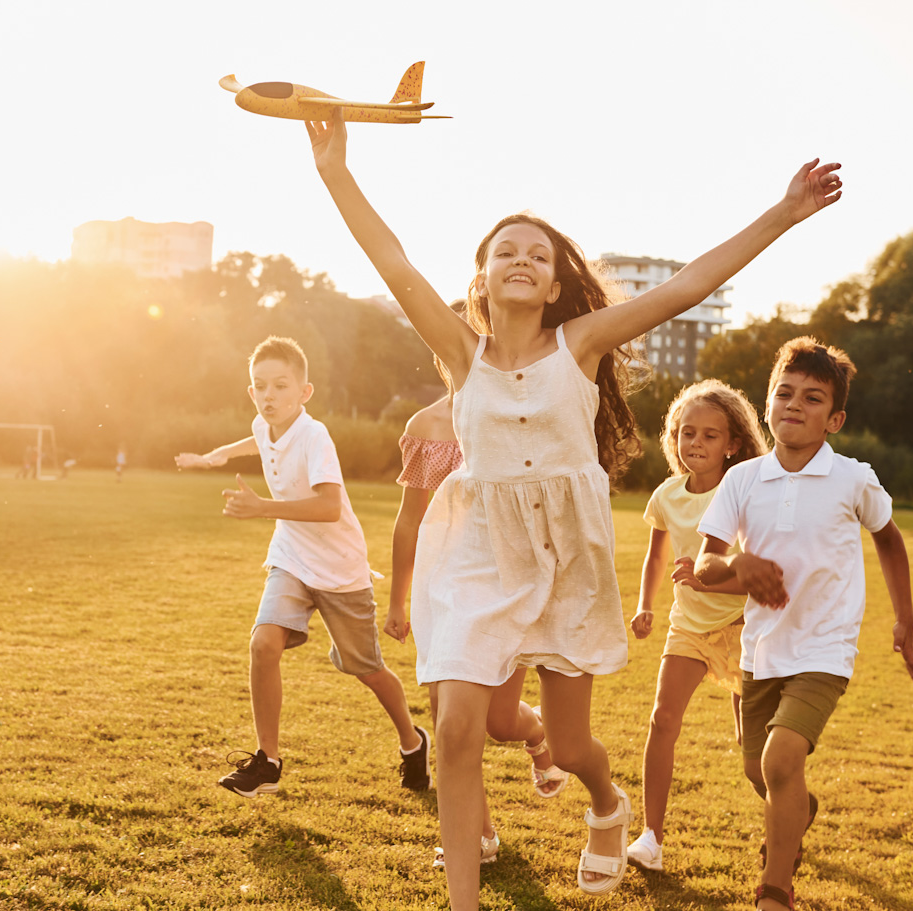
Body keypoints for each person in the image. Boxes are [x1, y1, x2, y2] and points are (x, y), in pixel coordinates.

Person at [306, 107, 843, 908]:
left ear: (557, 284)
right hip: (481, 548)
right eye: (503, 252)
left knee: (569, 740)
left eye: (538, 254)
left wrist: (783, 212)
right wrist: (336, 172)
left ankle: (605, 802)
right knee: (458, 726)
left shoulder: (581, 343)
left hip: (566, 557)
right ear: (481, 279)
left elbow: (689, 283)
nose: (520, 260)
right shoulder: (461, 351)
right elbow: (392, 261)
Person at [694, 337, 913, 911]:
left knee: (779, 760)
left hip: (825, 648)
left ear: (836, 418)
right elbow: (705, 565)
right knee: (759, 770)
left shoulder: (853, 479)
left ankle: (775, 889)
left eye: (813, 397)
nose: (795, 404)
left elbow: (890, 541)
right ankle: (800, 812)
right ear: (769, 402)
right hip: (761, 650)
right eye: (785, 392)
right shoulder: (742, 480)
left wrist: (904, 618)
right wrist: (736, 565)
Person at [175, 336, 430, 799]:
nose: (269, 395)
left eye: (280, 385)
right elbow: (254, 439)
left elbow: (330, 506)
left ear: (304, 392)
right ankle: (267, 761)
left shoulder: (316, 436)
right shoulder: (262, 423)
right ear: (251, 393)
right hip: (291, 557)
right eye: (260, 386)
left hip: (338, 569)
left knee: (367, 669)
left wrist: (262, 508)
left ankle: (413, 743)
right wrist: (215, 456)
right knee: (262, 644)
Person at [388, 321, 567, 872]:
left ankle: (537, 734)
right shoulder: (427, 428)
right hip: (445, 591)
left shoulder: (517, 421)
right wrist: (398, 599)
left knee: (498, 721)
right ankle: (478, 835)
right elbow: (408, 522)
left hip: (502, 586)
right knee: (445, 715)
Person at [625, 379, 769, 873]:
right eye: (687, 433)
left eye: (710, 436)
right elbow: (654, 556)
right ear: (673, 437)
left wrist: (713, 581)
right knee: (663, 719)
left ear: (732, 445)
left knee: (753, 752)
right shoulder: (666, 495)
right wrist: (645, 604)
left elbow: (755, 568)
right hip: (687, 625)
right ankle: (651, 837)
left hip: (742, 625)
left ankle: (786, 816)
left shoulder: (745, 490)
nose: (696, 444)